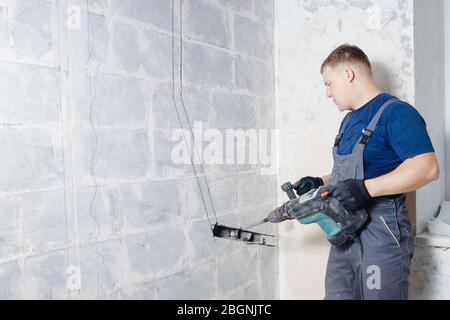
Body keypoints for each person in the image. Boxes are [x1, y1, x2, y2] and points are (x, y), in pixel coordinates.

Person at [295, 44, 440, 300]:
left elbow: (426, 168)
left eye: (329, 83)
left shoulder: (396, 113)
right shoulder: (349, 121)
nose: (327, 93)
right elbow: (350, 174)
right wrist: (319, 182)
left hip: (381, 233)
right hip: (343, 232)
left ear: (348, 75)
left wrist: (366, 189)